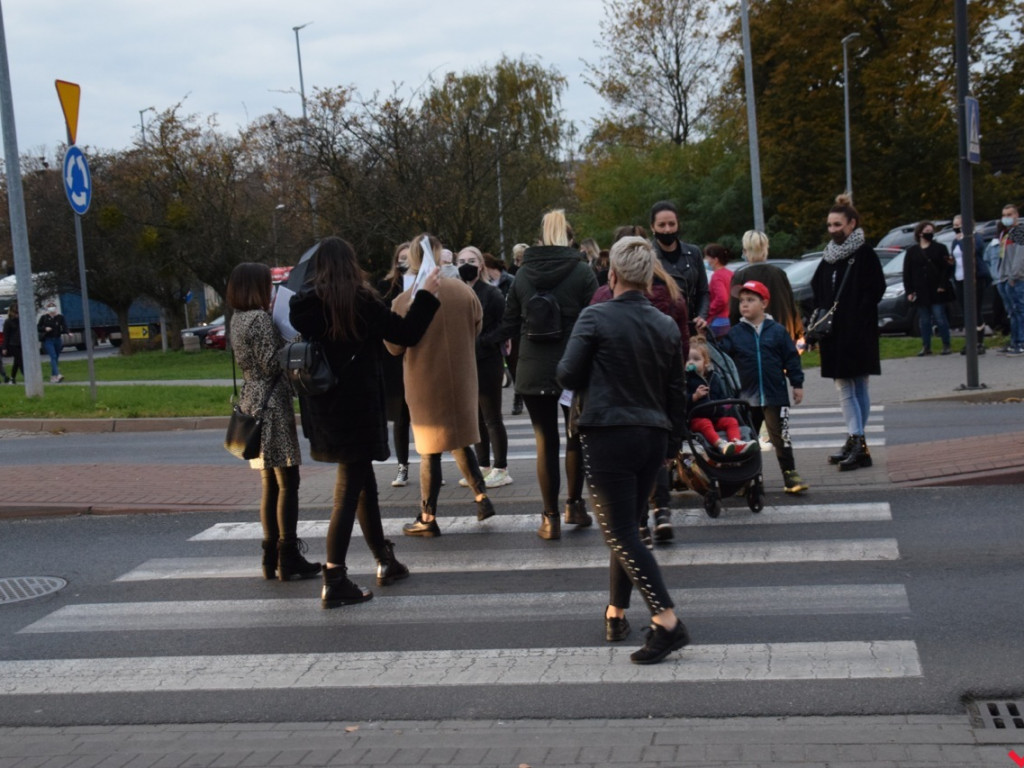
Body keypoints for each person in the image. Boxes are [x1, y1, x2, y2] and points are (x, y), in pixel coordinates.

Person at [556, 235, 689, 665]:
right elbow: (677, 390)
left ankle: (667, 620)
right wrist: (672, 444)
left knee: (621, 533)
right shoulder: (666, 324)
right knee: (628, 527)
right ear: (649, 277)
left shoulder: (594, 317)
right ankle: (616, 612)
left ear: (611, 275)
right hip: (652, 435)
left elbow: (567, 374)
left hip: (608, 432)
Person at [289, 236, 441, 608]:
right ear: (350, 263)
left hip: (326, 410)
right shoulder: (362, 302)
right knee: (346, 493)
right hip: (358, 410)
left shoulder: (303, 307)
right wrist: (427, 295)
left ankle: (384, 559)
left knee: (362, 487)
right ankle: (335, 577)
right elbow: (405, 334)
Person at [385, 233, 497, 537]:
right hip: (461, 380)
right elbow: (478, 325)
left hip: (425, 382)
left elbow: (394, 346)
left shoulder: (406, 300)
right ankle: (482, 496)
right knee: (459, 438)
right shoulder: (463, 291)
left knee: (429, 450)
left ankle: (427, 516)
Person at [499, 209, 598, 540]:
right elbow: (594, 320)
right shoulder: (584, 272)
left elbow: (509, 322)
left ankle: (549, 518)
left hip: (533, 366)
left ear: (540, 239)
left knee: (545, 441)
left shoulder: (523, 274)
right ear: (569, 238)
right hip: (573, 366)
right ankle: (574, 505)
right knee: (575, 437)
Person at [227, 262, 321, 583]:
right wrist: (291, 339)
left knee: (269, 484)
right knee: (288, 483)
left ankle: (269, 556)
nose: (270, 290)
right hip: (272, 404)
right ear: (255, 286)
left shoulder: (237, 319)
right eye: (267, 284)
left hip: (253, 399)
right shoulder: (259, 319)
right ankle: (289, 556)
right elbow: (272, 364)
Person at [590, 250, 689, 545]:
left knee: (628, 462)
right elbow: (681, 344)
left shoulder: (603, 298)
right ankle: (662, 511)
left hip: (618, 389)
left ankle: (640, 524)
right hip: (657, 383)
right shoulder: (673, 294)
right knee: (654, 455)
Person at [810, 194, 886, 471]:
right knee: (846, 385)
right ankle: (857, 441)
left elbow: (875, 289)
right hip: (835, 334)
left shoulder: (863, 253)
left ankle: (858, 442)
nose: (832, 229)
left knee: (856, 384)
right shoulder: (829, 256)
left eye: (837, 224)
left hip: (857, 331)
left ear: (852, 224)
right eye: (830, 225)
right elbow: (817, 288)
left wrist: (857, 317)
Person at [721, 280, 807, 493]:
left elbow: (791, 358)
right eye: (741, 301)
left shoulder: (777, 331)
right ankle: (750, 478)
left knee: (781, 436)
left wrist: (797, 384)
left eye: (750, 300)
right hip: (746, 397)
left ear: (764, 303)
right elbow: (724, 358)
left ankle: (790, 474)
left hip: (775, 395)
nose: (744, 305)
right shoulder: (736, 333)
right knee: (748, 438)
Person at [456, 246, 513, 488]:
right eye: (462, 260)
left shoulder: (492, 294)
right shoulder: (456, 292)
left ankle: (501, 467)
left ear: (481, 265)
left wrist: (481, 342)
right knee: (475, 416)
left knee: (492, 416)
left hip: (487, 360)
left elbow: (505, 326)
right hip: (465, 361)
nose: (466, 264)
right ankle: (482, 464)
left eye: (471, 260)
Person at [377, 242, 414, 487]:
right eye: (401, 257)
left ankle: (432, 463)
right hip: (395, 359)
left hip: (420, 357)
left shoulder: (428, 284)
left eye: (409, 257)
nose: (405, 262)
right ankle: (402, 465)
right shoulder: (386, 287)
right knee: (401, 418)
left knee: (425, 418)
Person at [728, 230, 804, 342]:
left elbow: (734, 311)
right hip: (783, 335)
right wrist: (799, 333)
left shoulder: (741, 276)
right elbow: (791, 306)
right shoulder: (779, 273)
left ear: (745, 251)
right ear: (766, 249)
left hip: (753, 337)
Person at [686, 340, 755, 455]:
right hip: (695, 419)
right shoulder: (686, 380)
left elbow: (721, 397)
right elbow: (680, 400)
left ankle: (736, 443)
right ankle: (720, 444)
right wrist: (694, 396)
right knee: (705, 423)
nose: (691, 362)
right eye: (687, 360)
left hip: (715, 417)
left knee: (731, 421)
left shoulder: (715, 378)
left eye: (696, 359)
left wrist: (725, 405)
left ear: (706, 363)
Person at [649, 200, 709, 332]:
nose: (667, 229)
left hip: (693, 327)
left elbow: (703, 291)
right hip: (661, 330)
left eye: (672, 224)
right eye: (661, 225)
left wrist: (701, 316)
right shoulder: (647, 257)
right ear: (652, 227)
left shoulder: (694, 253)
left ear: (678, 224)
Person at [903, 221, 954, 356]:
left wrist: (943, 285)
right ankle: (926, 346)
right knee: (924, 320)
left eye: (932, 231)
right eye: (927, 230)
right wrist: (909, 291)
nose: (930, 233)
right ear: (920, 233)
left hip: (937, 289)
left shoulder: (940, 248)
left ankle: (946, 344)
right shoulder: (912, 251)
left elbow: (946, 268)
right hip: (920, 290)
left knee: (940, 317)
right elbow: (907, 272)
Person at [950, 215, 990, 355]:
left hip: (975, 278)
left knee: (975, 310)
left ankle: (979, 342)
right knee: (966, 311)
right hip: (960, 279)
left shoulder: (975, 237)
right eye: (954, 225)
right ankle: (970, 342)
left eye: (959, 225)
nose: (956, 228)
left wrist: (962, 240)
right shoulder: (955, 241)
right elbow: (955, 257)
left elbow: (973, 250)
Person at [995, 205, 1024, 355]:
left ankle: (1021, 342)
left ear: (1016, 215)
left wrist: (1013, 277)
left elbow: (1020, 257)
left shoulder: (1019, 231)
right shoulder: (1007, 233)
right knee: (1012, 312)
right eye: (1004, 214)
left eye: (1009, 214)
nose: (1006, 217)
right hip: (1004, 277)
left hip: (1015, 279)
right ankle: (1015, 341)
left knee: (1019, 311)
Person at [704, 243, 733, 338]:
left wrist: (709, 310)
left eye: (707, 257)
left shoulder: (717, 276)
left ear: (715, 260)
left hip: (718, 320)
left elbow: (722, 298)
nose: (705, 260)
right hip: (729, 318)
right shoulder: (730, 273)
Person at [37, 302, 67, 383]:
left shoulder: (60, 317)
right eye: (49, 307)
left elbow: (64, 326)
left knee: (56, 357)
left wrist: (68, 332)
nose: (51, 308)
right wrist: (45, 328)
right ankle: (58, 374)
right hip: (48, 339)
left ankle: (53, 376)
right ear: (47, 309)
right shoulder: (44, 317)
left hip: (57, 339)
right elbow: (38, 327)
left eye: (53, 307)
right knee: (53, 356)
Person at [2, 301, 23, 384]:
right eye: (15, 312)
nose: (17, 314)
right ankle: (26, 375)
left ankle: (12, 378)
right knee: (20, 360)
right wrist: (4, 347)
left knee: (16, 362)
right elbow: (6, 335)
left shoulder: (21, 320)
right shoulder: (8, 322)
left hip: (21, 343)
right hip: (12, 344)